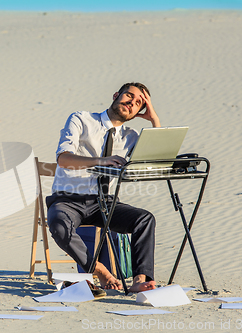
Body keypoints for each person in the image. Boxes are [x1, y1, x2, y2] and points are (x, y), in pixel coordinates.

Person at [46, 82, 160, 292]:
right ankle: (100, 270)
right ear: (116, 95)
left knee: (145, 220)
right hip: (68, 199)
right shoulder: (81, 119)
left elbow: (157, 159)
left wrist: (154, 119)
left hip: (104, 204)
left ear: (138, 112)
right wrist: (101, 161)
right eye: (128, 96)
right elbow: (63, 159)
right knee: (59, 225)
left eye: (138, 104)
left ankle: (139, 281)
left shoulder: (131, 136)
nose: (131, 103)